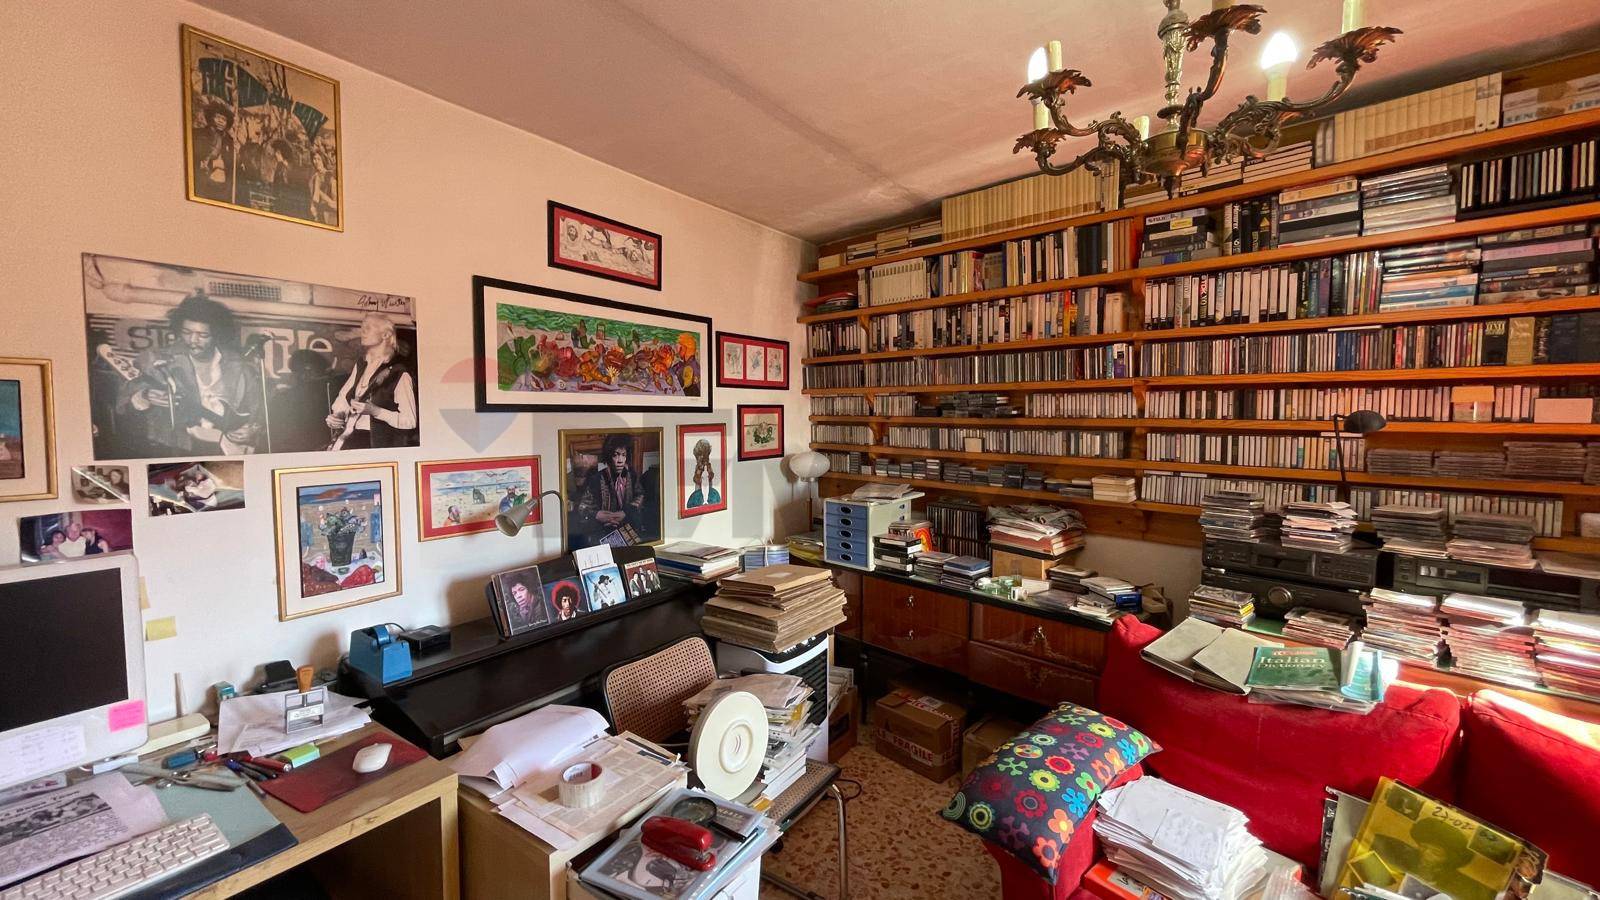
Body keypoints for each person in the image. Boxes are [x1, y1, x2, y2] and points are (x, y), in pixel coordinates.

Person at [117, 292, 263, 456]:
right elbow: (123, 403)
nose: (193, 340)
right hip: (177, 448)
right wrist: (143, 395)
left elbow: (259, 410)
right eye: (186, 332)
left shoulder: (239, 364)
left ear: (217, 335)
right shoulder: (156, 359)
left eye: (203, 335)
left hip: (228, 449)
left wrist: (253, 429)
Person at [325, 314, 418, 449]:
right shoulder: (361, 365)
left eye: (368, 328)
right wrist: (338, 415)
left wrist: (376, 411)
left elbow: (410, 421)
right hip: (351, 439)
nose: (362, 332)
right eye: (362, 327)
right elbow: (343, 399)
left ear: (386, 335)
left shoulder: (399, 372)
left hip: (377, 446)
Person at [573, 433, 647, 547]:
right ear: (608, 456)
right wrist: (597, 515)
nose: (620, 460)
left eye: (623, 455)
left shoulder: (631, 475)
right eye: (615, 455)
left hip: (627, 527)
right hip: (602, 531)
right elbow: (582, 508)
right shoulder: (596, 479)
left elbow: (640, 495)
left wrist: (626, 512)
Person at [686, 438, 721, 509]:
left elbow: (711, 475)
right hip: (700, 490)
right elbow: (696, 479)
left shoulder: (707, 465)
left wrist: (707, 474)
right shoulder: (699, 467)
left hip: (707, 489)